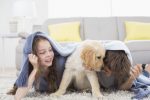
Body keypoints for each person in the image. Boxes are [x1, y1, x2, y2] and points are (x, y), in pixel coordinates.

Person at [7, 32, 75, 100]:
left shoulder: (61, 62)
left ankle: (27, 36)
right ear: (34, 56)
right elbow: (17, 97)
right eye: (43, 52)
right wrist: (35, 69)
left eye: (50, 50)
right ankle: (27, 36)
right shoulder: (32, 70)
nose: (49, 55)